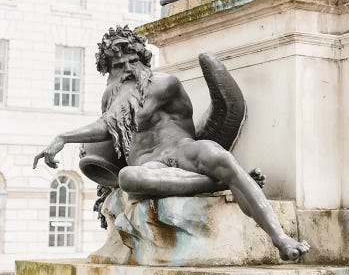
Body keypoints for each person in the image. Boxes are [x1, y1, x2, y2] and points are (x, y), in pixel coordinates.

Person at [33, 25, 310, 262]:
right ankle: (222, 182)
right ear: (109, 72)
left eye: (133, 61)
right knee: (128, 178)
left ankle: (281, 238)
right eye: (119, 66)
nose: (128, 70)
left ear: (144, 59)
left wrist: (63, 137)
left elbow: (112, 121)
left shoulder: (164, 84)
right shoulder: (110, 97)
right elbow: (111, 131)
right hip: (146, 165)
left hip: (182, 150)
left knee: (220, 157)